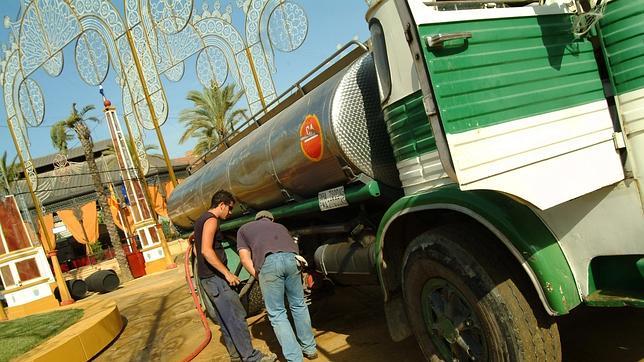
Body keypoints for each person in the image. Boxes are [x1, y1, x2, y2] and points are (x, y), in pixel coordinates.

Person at [193, 191, 276, 362]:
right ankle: (252, 357)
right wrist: (227, 273)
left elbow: (196, 246)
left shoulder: (201, 220)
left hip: (207, 279)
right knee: (236, 317)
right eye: (229, 208)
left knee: (225, 320)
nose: (230, 212)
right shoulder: (211, 220)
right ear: (221, 204)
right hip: (216, 279)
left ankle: (236, 356)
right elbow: (206, 251)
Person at [237, 210, 318, 362]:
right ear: (271, 220)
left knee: (277, 313)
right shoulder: (280, 227)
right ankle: (310, 348)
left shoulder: (244, 229)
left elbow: (244, 258)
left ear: (257, 219)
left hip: (269, 263)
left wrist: (258, 275)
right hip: (292, 260)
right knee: (299, 305)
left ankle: (295, 358)